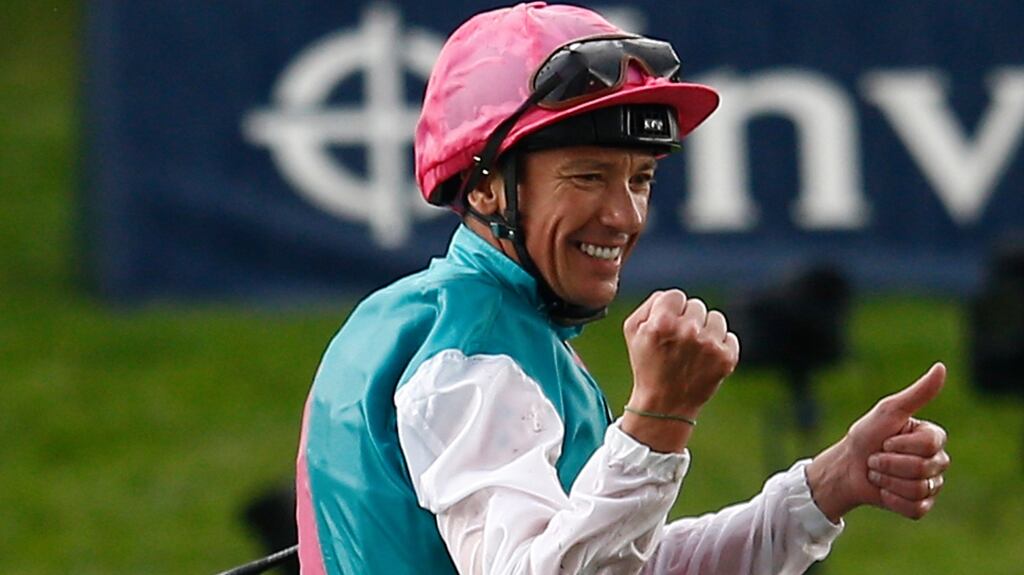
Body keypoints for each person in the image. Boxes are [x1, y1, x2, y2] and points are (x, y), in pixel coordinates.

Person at [294, 3, 951, 574]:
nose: (625, 215)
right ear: (487, 186)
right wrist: (657, 421)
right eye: (589, 176)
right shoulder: (473, 352)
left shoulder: (458, 321)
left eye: (640, 179)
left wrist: (822, 489)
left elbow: (625, 560)